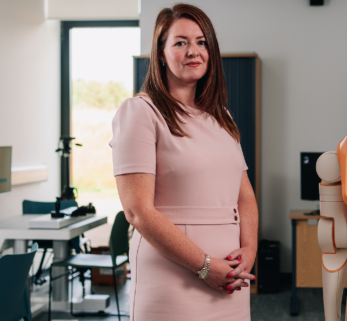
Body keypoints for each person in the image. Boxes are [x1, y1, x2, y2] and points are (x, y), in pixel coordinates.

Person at [109, 3, 257, 320]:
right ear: (161, 53)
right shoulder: (140, 113)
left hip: (230, 279)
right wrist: (204, 266)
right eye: (181, 42)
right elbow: (138, 211)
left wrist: (250, 250)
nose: (194, 51)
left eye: (202, 42)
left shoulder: (222, 118)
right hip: (172, 278)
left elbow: (243, 193)